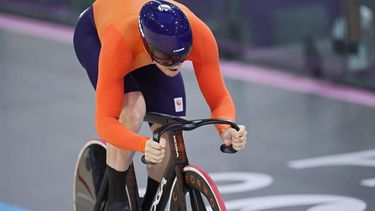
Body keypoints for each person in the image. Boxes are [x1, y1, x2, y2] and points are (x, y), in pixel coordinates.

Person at [73, 0, 248, 210]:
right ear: (148, 45)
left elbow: (219, 98)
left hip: (147, 48)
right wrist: (141, 144)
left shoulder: (200, 36)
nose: (175, 64)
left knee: (170, 124)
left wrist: (226, 128)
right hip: (97, 38)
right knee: (133, 107)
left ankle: (151, 203)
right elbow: (105, 121)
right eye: (167, 58)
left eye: (182, 57)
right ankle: (116, 200)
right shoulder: (118, 41)